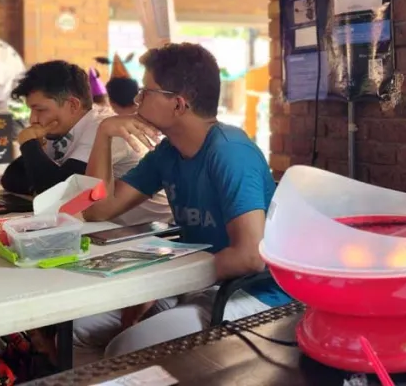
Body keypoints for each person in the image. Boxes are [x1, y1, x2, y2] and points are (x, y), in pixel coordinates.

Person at [75, 43, 288, 366]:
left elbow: (249, 257)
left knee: (125, 349)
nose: (137, 101)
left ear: (178, 104)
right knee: (80, 329)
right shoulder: (167, 154)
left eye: (145, 92)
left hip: (253, 294)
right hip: (199, 284)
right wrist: (105, 134)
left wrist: (163, 282)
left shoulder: (231, 153)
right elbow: (96, 209)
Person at [0, 60, 171, 226]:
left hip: (151, 231)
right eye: (31, 110)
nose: (33, 119)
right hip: (107, 227)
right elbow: (11, 178)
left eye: (40, 109)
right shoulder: (61, 128)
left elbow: (61, 195)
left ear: (73, 105)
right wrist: (38, 163)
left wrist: (29, 144)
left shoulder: (104, 128)